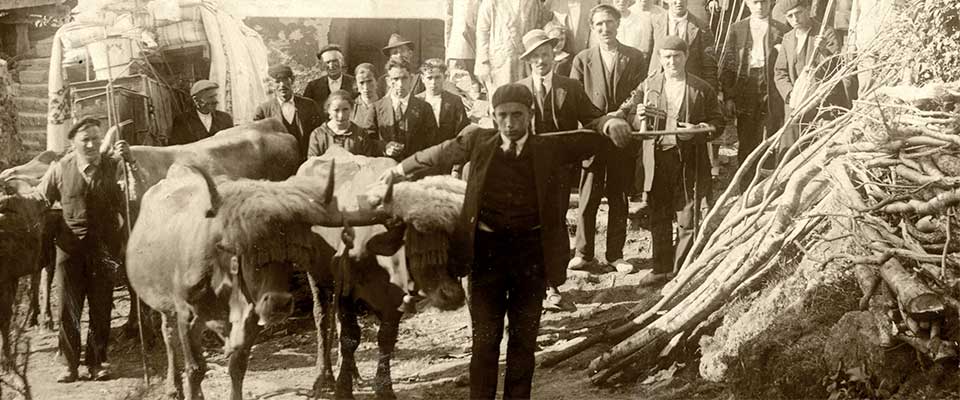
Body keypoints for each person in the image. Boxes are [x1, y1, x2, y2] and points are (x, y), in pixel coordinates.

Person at [378, 83, 631, 400]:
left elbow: (595, 136)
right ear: (493, 117)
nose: (510, 123)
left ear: (530, 115)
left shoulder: (549, 148)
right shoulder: (477, 140)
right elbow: (439, 153)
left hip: (531, 258)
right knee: (485, 342)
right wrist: (399, 170)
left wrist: (611, 123)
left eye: (517, 115)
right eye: (502, 116)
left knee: (523, 342)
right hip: (486, 257)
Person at [517, 28, 631, 311]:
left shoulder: (570, 87)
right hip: (525, 173)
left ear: (553, 55)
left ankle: (553, 287)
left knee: (555, 226)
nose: (541, 61)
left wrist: (609, 124)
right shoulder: (517, 91)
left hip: (558, 172)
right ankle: (530, 288)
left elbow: (593, 118)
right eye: (535, 57)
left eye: (545, 54)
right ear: (528, 60)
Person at [30, 118, 138, 382]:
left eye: (96, 139)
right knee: (69, 308)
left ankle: (98, 361)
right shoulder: (59, 169)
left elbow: (133, 196)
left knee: (101, 306)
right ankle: (69, 364)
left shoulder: (114, 166)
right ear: (73, 142)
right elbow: (38, 199)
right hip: (69, 249)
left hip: (104, 248)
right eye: (85, 139)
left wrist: (131, 162)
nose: (91, 144)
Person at [619, 36, 723, 287]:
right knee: (660, 215)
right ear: (660, 59)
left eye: (677, 56)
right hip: (657, 159)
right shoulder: (649, 84)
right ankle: (660, 269)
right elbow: (632, 118)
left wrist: (698, 129)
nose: (672, 61)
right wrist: (637, 116)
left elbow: (718, 124)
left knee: (687, 215)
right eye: (666, 57)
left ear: (685, 57)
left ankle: (681, 271)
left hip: (689, 160)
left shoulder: (701, 88)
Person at [569, 4, 648, 274]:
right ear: (593, 28)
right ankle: (583, 252)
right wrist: (601, 120)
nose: (605, 28)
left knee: (618, 196)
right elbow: (574, 95)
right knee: (588, 195)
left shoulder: (635, 57)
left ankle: (615, 254)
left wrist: (622, 112)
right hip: (592, 134)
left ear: (618, 23)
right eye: (599, 24)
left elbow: (640, 90)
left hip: (622, 136)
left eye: (609, 22)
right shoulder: (582, 59)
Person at [719, 0, 789, 188]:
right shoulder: (737, 28)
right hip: (746, 86)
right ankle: (745, 185)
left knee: (770, 134)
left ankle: (766, 184)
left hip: (771, 88)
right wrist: (729, 96)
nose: (760, 6)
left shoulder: (782, 29)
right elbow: (729, 64)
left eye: (764, 2)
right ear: (748, 4)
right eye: (755, 2)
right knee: (747, 135)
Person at [773, 0, 849, 154]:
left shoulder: (826, 33)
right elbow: (779, 71)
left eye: (798, 13)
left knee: (817, 150)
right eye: (790, 16)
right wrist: (790, 94)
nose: (795, 19)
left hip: (821, 102)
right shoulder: (788, 37)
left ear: (808, 10)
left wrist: (823, 51)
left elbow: (836, 69)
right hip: (795, 103)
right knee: (789, 149)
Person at [363, 59, 438, 164]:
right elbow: (367, 140)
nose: (400, 84)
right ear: (388, 81)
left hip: (415, 168)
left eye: (404, 78)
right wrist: (384, 147)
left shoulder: (424, 108)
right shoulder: (376, 108)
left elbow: (432, 142)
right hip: (385, 168)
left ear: (411, 79)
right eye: (395, 79)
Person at [475, 0, 549, 95]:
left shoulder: (534, 2)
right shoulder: (492, 2)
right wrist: (483, 64)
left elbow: (540, 25)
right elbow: (482, 33)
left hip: (526, 59)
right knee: (502, 97)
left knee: (526, 96)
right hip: (501, 61)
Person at [253, 64, 324, 160]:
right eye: (277, 81)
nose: (282, 85)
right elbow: (257, 142)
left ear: (293, 80)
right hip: (279, 164)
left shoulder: (309, 105)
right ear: (271, 84)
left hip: (307, 161)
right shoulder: (263, 111)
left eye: (286, 80)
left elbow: (320, 134)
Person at [417, 58, 470, 175]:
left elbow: (462, 136)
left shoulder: (454, 101)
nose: (433, 82)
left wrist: (456, 168)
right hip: (421, 162)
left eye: (437, 77)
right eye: (429, 78)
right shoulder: (415, 102)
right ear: (422, 79)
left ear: (444, 78)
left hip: (448, 162)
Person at [167, 80, 234, 145]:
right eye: (210, 97)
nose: (216, 101)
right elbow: (175, 149)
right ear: (196, 100)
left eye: (215, 96)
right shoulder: (182, 121)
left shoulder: (225, 119)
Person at [302, 45, 357, 122]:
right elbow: (306, 112)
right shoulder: (313, 86)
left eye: (335, 61)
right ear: (321, 65)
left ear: (342, 61)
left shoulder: (354, 83)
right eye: (327, 62)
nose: (331, 65)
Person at [307, 90, 370, 157]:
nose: (341, 116)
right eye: (336, 110)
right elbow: (313, 164)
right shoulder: (318, 135)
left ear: (351, 109)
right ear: (328, 110)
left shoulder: (360, 134)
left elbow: (367, 163)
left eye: (345, 109)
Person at [378, 33, 426, 98]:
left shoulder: (421, 78)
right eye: (395, 52)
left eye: (403, 51)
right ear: (390, 57)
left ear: (410, 53)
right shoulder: (383, 81)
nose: (399, 55)